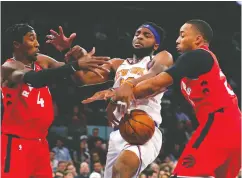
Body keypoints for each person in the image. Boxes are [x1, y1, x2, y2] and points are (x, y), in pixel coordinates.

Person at [100, 19, 241, 178]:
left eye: (182, 35)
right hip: (233, 127)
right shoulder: (198, 63)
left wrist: (117, 94)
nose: (177, 40)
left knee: (183, 174)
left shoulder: (196, 55)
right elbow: (153, 87)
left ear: (198, 39)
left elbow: (153, 84)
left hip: (219, 123)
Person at [49, 22, 173, 178]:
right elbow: (82, 79)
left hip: (145, 129)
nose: (140, 36)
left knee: (123, 167)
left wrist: (127, 85)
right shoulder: (117, 64)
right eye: (137, 33)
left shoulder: (162, 57)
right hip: (119, 133)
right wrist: (70, 53)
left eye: (146, 35)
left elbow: (156, 76)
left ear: (156, 45)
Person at [1, 23, 110, 178]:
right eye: (32, 39)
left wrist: (70, 52)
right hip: (17, 142)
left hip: (41, 143)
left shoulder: (42, 61)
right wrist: (75, 65)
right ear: (17, 44)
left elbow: (78, 79)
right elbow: (35, 79)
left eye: (37, 39)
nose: (37, 44)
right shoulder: (8, 68)